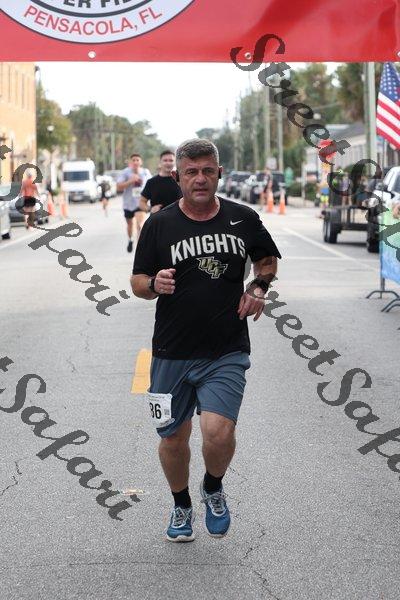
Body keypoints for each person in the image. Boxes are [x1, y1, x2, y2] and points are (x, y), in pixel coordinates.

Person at [131, 139, 281, 542]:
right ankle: (181, 504)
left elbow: (267, 259)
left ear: (219, 174)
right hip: (171, 351)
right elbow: (137, 282)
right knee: (172, 438)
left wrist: (259, 287)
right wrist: (154, 284)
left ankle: (213, 487)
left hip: (225, 348)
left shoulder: (242, 218)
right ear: (177, 176)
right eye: (191, 172)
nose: (200, 179)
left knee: (218, 433)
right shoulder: (159, 225)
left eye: (207, 171)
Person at [117, 154, 151, 252]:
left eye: (137, 160)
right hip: (128, 204)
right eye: (133, 160)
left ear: (141, 162)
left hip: (141, 203)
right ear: (130, 162)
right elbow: (118, 187)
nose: (135, 162)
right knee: (130, 225)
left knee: (140, 225)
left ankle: (140, 248)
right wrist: (130, 181)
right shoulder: (125, 172)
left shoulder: (145, 172)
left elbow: (152, 185)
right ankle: (130, 239)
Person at [139, 150, 182, 214]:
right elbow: (141, 202)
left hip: (178, 218)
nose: (168, 163)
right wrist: (150, 209)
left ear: (175, 162)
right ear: (160, 162)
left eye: (171, 160)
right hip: (157, 218)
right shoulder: (151, 182)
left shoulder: (181, 180)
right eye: (165, 160)